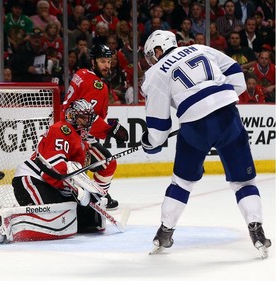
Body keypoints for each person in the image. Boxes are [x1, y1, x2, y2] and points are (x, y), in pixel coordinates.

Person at [141, 30, 271, 257]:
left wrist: (150, 142)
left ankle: (165, 232)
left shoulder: (155, 73)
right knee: (244, 181)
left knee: (181, 183)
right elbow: (234, 72)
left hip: (195, 127)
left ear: (159, 50)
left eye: (152, 55)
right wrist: (222, 98)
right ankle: (257, 230)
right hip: (229, 116)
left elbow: (159, 130)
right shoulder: (199, 48)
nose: (152, 60)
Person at [0, 99, 107, 243]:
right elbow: (53, 167)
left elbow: (74, 171)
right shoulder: (62, 129)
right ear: (72, 116)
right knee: (51, 215)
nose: (87, 121)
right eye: (83, 117)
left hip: (53, 185)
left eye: (89, 118)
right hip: (33, 179)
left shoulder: (81, 141)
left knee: (74, 215)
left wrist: (88, 190)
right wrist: (76, 188)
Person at [61, 44, 129, 210]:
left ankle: (93, 192)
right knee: (108, 164)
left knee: (83, 166)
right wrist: (108, 130)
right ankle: (99, 196)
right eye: (102, 61)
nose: (107, 65)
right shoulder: (97, 85)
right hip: (76, 137)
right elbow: (85, 117)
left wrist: (106, 127)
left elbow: (78, 110)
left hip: (64, 132)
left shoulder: (80, 74)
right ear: (93, 61)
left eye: (109, 61)